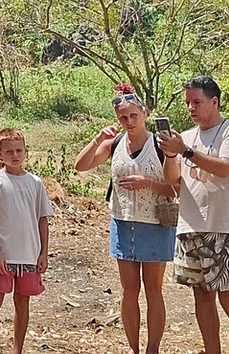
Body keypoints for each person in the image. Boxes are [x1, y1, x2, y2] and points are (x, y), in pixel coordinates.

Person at [73, 83, 177, 354]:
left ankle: (152, 348)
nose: (129, 121)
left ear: (144, 113)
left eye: (134, 116)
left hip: (154, 223)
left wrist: (148, 183)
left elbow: (176, 187)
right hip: (122, 222)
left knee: (153, 290)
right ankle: (133, 348)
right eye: (123, 117)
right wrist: (97, 139)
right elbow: (80, 166)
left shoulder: (159, 143)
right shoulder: (115, 143)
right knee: (128, 291)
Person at [158, 75, 229, 354]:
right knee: (201, 296)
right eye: (188, 102)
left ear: (214, 102)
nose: (191, 108)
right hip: (190, 226)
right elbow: (172, 180)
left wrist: (185, 151)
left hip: (223, 225)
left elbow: (225, 168)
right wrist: (169, 154)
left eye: (197, 102)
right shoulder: (185, 137)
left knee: (228, 295)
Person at [0, 128, 53, 354]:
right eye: (9, 151)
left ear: (25, 151)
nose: (15, 155)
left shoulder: (35, 182)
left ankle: (17, 349)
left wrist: (43, 253)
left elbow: (42, 219)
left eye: (19, 150)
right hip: (5, 254)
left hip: (29, 254)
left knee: (22, 301)